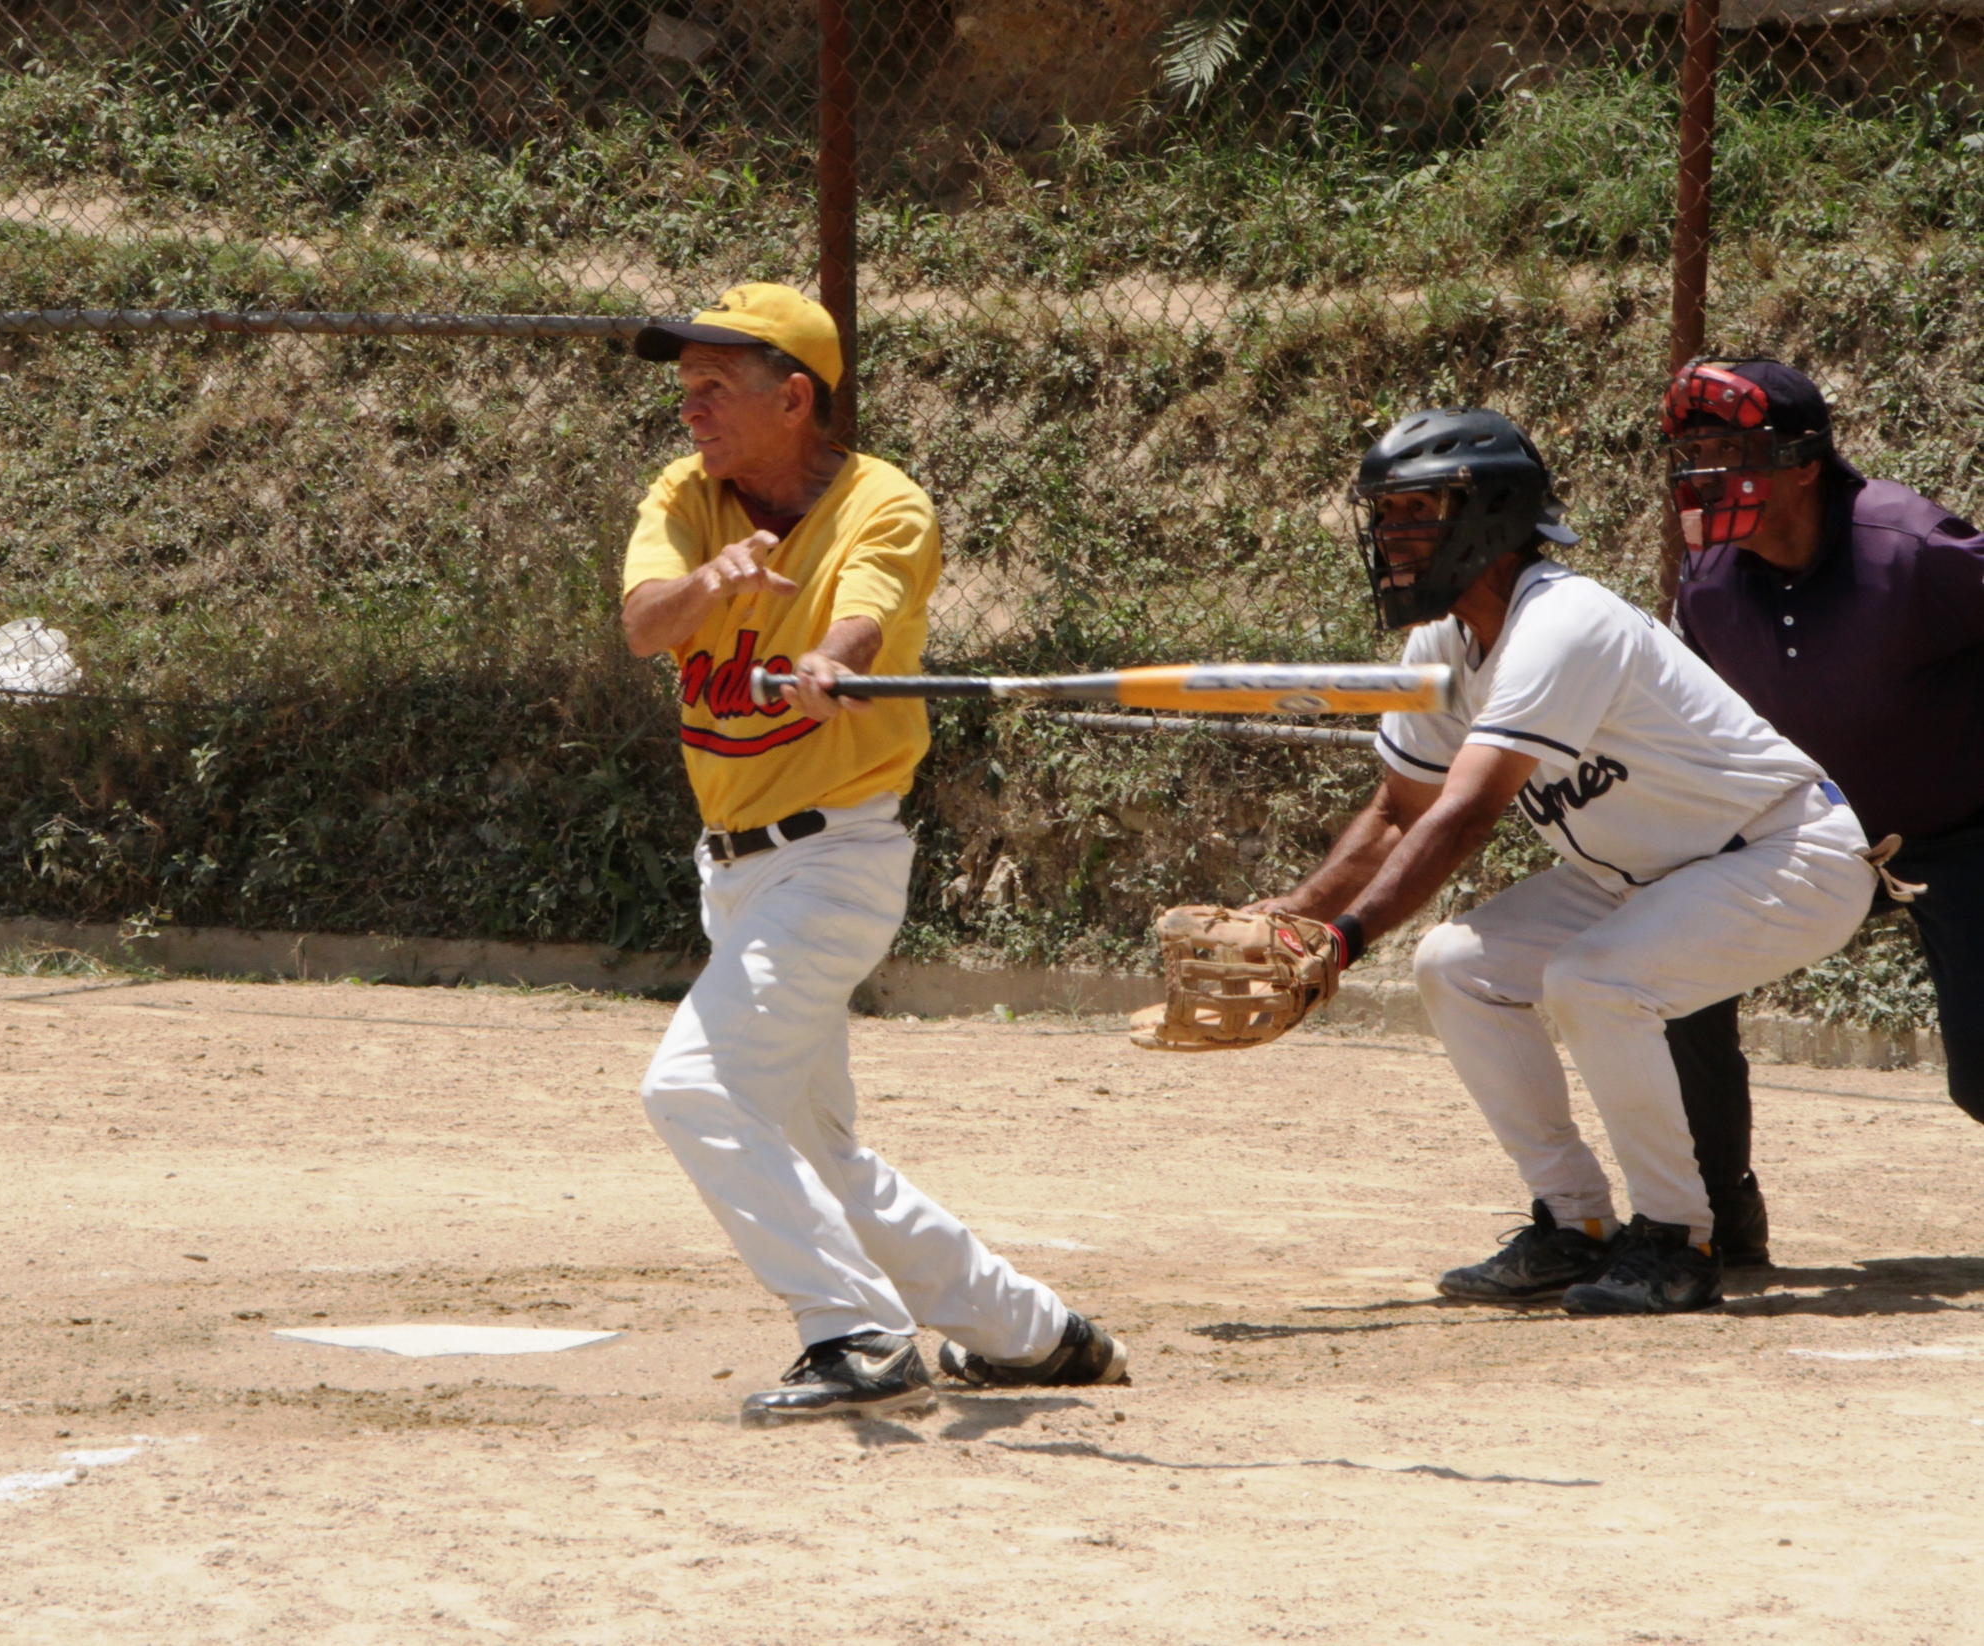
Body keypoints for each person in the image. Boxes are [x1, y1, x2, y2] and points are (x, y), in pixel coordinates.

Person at [620, 282, 1126, 1423]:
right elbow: (648, 623)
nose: (689, 409)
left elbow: (867, 605)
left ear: (794, 397)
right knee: (813, 1146)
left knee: (692, 1089)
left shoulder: (884, 504)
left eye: (714, 388)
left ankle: (853, 1332)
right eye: (685, 386)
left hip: (832, 858)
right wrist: (716, 582)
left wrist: (833, 659)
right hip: (732, 868)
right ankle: (1028, 1332)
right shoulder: (686, 495)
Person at [1250, 406, 1876, 1313]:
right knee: (1455, 965)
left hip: (1784, 853)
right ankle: (1575, 1224)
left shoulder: (1564, 620)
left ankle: (1676, 1238)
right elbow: (1399, 809)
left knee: (1594, 980)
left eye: (1416, 513)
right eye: (1385, 516)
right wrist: (1297, 919)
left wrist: (1343, 944)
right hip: (1641, 872)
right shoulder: (1444, 642)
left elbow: (1463, 816)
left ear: (1490, 521)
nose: (1391, 536)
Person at [1663, 356, 1984, 1248]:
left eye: (1726, 450)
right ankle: (1714, 1214)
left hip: (1956, 831)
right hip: (1803, 836)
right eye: (1688, 452)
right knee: (1665, 967)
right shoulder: (1710, 581)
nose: (1701, 475)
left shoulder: (1911, 548)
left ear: (1803, 463)